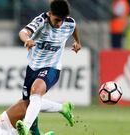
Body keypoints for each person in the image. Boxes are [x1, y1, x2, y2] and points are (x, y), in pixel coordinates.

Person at [16, 0, 81, 134]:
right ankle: (63, 108)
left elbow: (74, 27)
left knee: (36, 91)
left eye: (62, 20)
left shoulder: (69, 23)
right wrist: (27, 40)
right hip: (32, 67)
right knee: (30, 103)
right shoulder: (41, 21)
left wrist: (77, 42)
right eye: (57, 20)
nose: (60, 24)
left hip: (52, 67)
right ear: (50, 14)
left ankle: (25, 128)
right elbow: (23, 32)